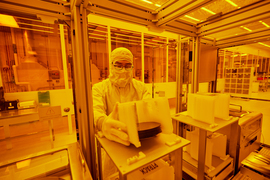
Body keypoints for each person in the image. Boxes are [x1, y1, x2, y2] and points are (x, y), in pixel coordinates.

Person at [92, 47, 151, 178]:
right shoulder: (99, 89)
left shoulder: (141, 88)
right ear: (111, 65)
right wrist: (103, 122)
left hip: (138, 143)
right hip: (111, 147)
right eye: (118, 65)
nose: (123, 70)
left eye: (127, 66)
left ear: (132, 67)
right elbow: (95, 110)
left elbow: (148, 108)